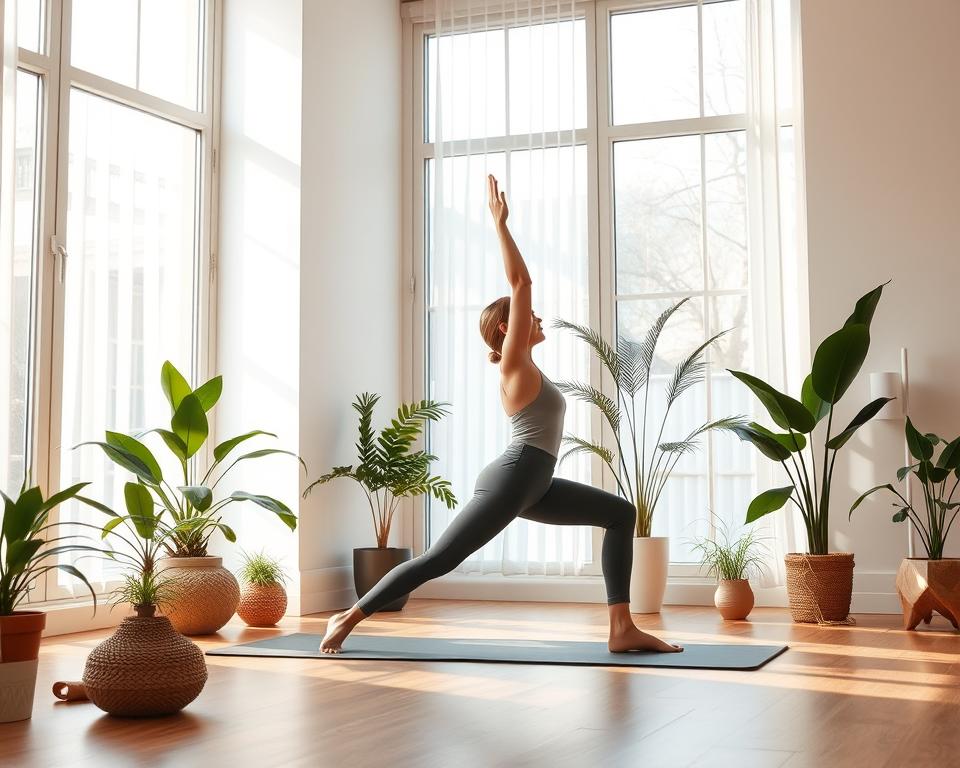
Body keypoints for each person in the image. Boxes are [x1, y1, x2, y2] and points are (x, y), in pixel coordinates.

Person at [320, 174, 682, 655]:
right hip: (515, 478)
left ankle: (621, 628)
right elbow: (521, 281)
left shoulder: (530, 368)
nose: (539, 317)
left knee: (619, 514)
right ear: (508, 329)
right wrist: (499, 224)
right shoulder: (514, 365)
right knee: (441, 559)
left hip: (537, 481)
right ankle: (347, 616)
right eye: (529, 315)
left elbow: (524, 294)